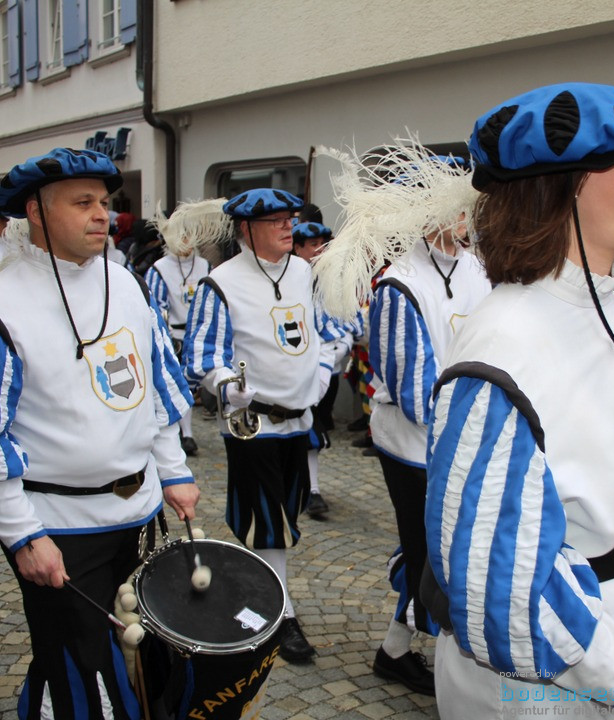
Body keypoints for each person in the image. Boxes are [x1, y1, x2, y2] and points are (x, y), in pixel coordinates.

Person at [360, 83, 614, 717]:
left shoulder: (612, 303)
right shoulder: (504, 347)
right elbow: (500, 587)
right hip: (550, 687)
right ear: (563, 187)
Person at [0, 148, 199, 719]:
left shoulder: (126, 284)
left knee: (137, 649)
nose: (101, 214)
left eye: (104, 202)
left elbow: (151, 391)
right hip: (58, 527)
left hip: (138, 514)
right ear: (35, 210)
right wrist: (23, 536)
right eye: (82, 203)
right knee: (82, 665)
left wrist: (174, 470)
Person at [183, 188, 334, 664]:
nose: (289, 227)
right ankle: (281, 614)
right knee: (268, 523)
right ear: (246, 230)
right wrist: (229, 385)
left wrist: (326, 366)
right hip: (253, 424)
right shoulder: (220, 283)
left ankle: (258, 585)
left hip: (299, 420)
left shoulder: (307, 272)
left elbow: (327, 330)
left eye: (290, 218)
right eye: (275, 221)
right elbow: (202, 356)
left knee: (285, 516)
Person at [364, 157, 491, 696]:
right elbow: (416, 395)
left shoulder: (479, 269)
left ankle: (394, 652)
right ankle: (447, 671)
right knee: (432, 555)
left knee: (439, 556)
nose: (467, 216)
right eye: (456, 206)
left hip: (464, 439)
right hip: (413, 447)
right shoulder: (399, 285)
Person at [290, 220, 356, 520]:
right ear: (298, 247)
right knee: (299, 425)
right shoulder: (288, 279)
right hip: (293, 365)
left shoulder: (333, 278)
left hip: (327, 365)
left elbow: (350, 321)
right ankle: (306, 489)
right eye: (312, 244)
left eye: (322, 243)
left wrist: (340, 346)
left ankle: (310, 487)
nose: (319, 250)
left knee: (313, 425)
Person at [145, 225, 211, 456]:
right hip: (175, 336)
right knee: (178, 383)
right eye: (181, 236)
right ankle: (186, 433)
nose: (186, 241)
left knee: (195, 383)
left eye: (190, 235)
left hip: (199, 333)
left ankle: (187, 432)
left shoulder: (204, 265)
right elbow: (158, 307)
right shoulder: (159, 270)